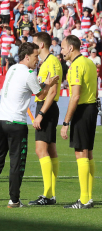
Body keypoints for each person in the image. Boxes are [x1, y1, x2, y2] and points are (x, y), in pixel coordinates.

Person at [0, 42, 60, 208]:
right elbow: (40, 93)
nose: (37, 60)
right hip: (16, 122)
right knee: (17, 162)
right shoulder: (29, 73)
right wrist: (49, 83)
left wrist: (42, 82)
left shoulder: (12, 69)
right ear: (27, 56)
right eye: (36, 56)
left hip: (1, 119)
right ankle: (14, 200)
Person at [59, 35, 97, 209]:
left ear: (71, 48)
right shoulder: (89, 62)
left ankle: (83, 199)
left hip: (82, 110)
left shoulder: (75, 66)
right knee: (88, 153)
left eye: (62, 47)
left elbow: (75, 96)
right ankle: (88, 197)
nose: (61, 51)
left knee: (80, 153)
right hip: (92, 109)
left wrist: (66, 123)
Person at [26, 32, 63, 206]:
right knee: (51, 151)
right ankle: (51, 194)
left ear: (41, 45)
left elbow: (53, 91)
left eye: (34, 43)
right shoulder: (45, 63)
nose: (32, 45)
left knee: (41, 151)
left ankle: (48, 195)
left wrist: (40, 114)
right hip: (45, 107)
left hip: (46, 108)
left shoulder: (52, 62)